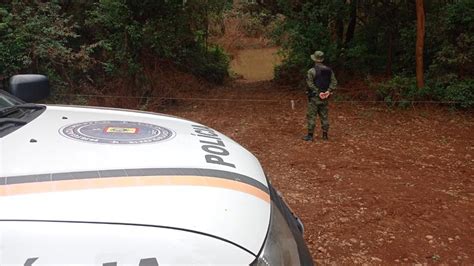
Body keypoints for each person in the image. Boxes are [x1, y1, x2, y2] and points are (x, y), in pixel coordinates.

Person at [302, 51, 337, 141]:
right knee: (324, 116)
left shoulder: (311, 71)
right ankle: (325, 135)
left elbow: (310, 84)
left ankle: (310, 136)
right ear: (322, 59)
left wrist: (318, 93)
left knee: (311, 116)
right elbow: (334, 82)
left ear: (314, 59)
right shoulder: (329, 70)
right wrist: (328, 91)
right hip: (325, 97)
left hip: (314, 97)